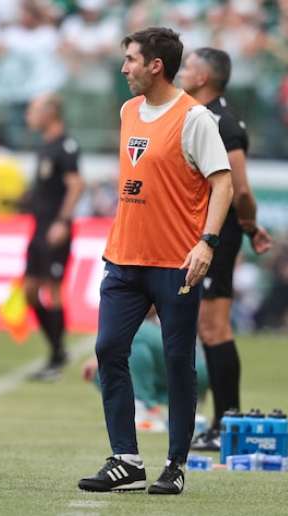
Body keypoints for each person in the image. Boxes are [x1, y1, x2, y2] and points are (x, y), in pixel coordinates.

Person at [78, 27, 233, 495]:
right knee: (108, 350)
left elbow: (222, 183)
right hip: (123, 258)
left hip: (175, 263)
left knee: (177, 359)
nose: (124, 68)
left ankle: (175, 463)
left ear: (155, 66)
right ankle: (125, 458)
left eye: (130, 60)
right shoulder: (128, 111)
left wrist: (206, 243)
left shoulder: (195, 119)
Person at [178, 46, 273, 452]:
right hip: (205, 229)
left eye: (188, 66)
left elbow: (240, 188)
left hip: (219, 232)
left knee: (215, 326)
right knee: (208, 327)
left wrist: (249, 225)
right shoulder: (199, 116)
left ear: (203, 78)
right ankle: (223, 422)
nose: (182, 72)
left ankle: (227, 423)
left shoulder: (223, 123)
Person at [22, 92, 84, 382]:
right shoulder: (44, 146)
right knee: (30, 291)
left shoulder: (65, 146)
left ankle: (56, 357)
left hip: (55, 228)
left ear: (51, 113)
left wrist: (63, 221)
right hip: (39, 227)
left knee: (54, 289)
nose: (29, 116)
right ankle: (58, 351)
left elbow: (76, 185)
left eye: (34, 110)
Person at [81, 308, 210, 433]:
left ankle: (146, 408)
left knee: (131, 329)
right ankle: (161, 411)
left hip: (193, 362)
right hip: (170, 363)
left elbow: (147, 305)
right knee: (103, 367)